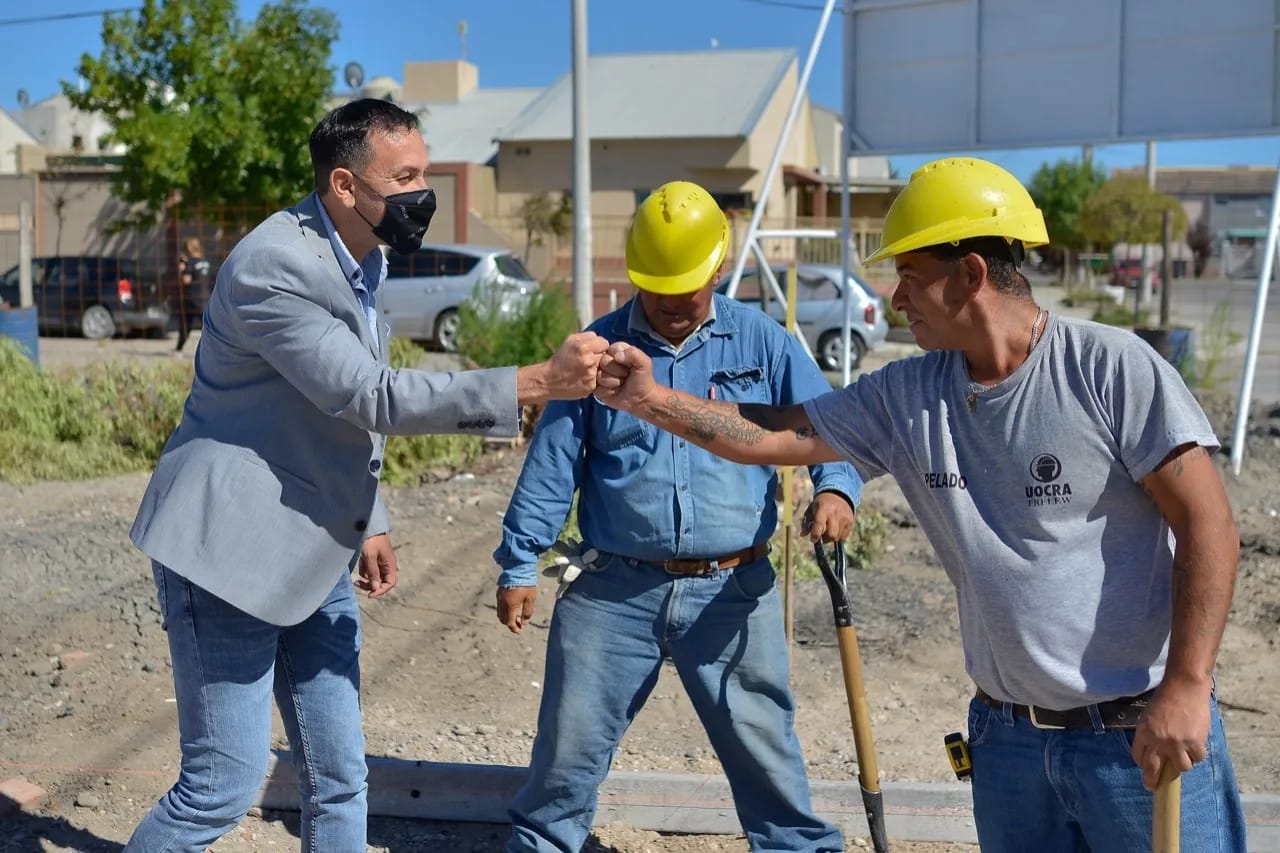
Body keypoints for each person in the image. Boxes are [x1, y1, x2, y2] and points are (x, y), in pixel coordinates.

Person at [595, 159, 1248, 851]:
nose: (896, 295)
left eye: (910, 274)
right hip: (1009, 743)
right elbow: (776, 434)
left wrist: (1187, 684)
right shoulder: (907, 395)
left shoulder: (1110, 368)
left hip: (1138, 735)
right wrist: (651, 399)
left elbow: (1208, 523)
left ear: (971, 273)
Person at [125, 98, 607, 853]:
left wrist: (370, 516)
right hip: (227, 551)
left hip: (317, 540)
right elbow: (369, 394)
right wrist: (536, 380)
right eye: (404, 177)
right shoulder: (273, 266)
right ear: (345, 185)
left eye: (423, 172)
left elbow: (339, 405)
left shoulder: (362, 254)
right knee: (218, 788)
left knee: (341, 778)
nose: (423, 192)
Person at [494, 180, 860, 853]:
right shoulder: (598, 352)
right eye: (653, 286)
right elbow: (553, 462)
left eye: (683, 288)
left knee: (764, 746)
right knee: (568, 747)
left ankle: (796, 847)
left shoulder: (765, 344)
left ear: (717, 268)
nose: (667, 302)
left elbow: (827, 427)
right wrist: (520, 561)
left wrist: (835, 489)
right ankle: (542, 843)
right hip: (615, 587)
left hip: (732, 589)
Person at [173, 236, 212, 352]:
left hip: (191, 298)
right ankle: (214, 348)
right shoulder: (205, 262)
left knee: (185, 325)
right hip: (205, 297)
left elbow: (186, 280)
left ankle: (179, 349)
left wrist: (182, 270)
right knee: (207, 325)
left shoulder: (190, 262)